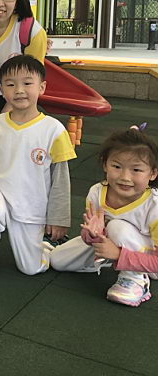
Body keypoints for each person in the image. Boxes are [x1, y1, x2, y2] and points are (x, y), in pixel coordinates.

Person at [0, 55, 75, 276]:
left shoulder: (53, 130)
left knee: (31, 269)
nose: (19, 90)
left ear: (42, 87)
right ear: (2, 90)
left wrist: (59, 218)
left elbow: (61, 180)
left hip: (31, 205)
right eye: (10, 84)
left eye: (27, 83)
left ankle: (44, 247)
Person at [51, 127, 158, 307]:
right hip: (109, 243)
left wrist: (118, 254)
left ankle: (136, 280)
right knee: (57, 260)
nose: (125, 177)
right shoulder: (97, 192)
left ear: (152, 173)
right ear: (105, 165)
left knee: (117, 227)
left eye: (136, 170)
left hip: (150, 258)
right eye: (116, 166)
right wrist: (93, 235)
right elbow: (89, 236)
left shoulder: (154, 206)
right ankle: (109, 260)